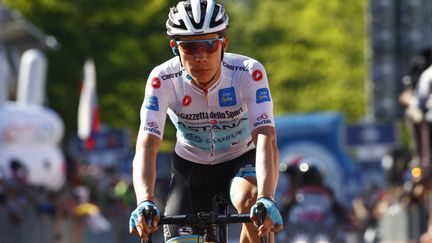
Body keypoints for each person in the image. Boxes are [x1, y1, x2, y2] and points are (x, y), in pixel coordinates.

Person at [128, 0, 283, 242]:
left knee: (253, 204)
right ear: (175, 48)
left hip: (241, 159)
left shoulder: (248, 72)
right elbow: (146, 145)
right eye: (190, 48)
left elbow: (266, 137)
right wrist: (144, 200)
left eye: (210, 45)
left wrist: (266, 196)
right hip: (191, 167)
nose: (201, 56)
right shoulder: (162, 79)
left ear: (224, 44)